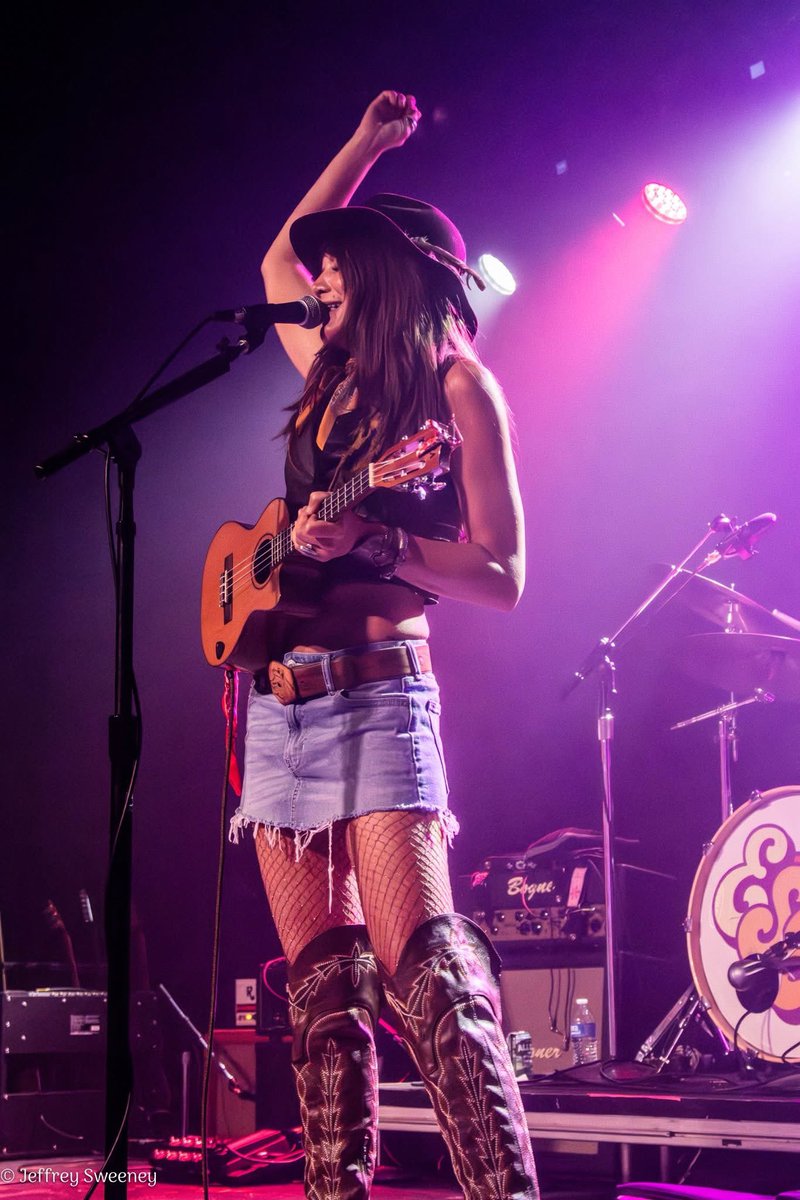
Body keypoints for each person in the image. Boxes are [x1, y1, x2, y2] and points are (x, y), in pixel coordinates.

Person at [230, 90, 538, 1200]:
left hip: (379, 695)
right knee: (321, 995)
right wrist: (361, 144)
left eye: (339, 262)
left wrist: (381, 541)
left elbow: (502, 576)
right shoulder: (324, 375)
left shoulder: (457, 388)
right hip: (281, 703)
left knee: (429, 979)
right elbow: (275, 258)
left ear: (388, 271)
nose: (317, 278)